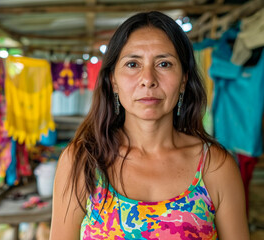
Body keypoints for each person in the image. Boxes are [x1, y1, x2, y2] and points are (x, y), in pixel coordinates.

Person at [50, 11, 250, 239]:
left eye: (164, 64)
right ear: (113, 81)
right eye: (133, 64)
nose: (148, 79)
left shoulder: (215, 167)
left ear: (184, 79)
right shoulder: (82, 161)